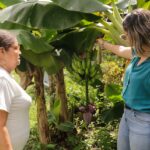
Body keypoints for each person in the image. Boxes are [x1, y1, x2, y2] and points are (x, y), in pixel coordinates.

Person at [97, 9, 150, 150]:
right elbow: (120, 49)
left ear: (137, 34)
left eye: (126, 34)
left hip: (145, 121)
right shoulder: (138, 53)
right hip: (127, 116)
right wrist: (103, 44)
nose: (125, 37)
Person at [0, 30, 32, 150]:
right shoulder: (2, 79)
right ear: (2, 51)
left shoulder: (5, 76)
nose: (20, 52)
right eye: (15, 48)